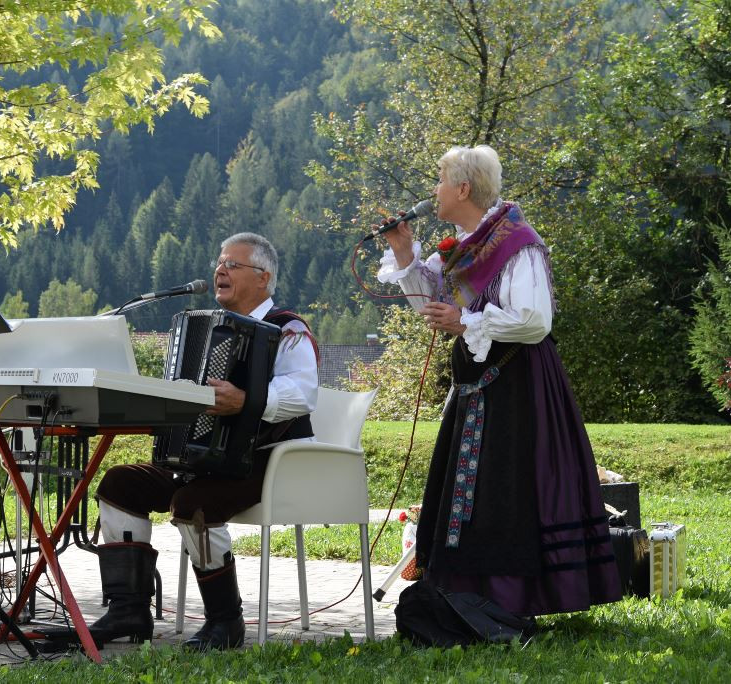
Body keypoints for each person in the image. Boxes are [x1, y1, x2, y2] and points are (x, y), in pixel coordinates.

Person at [376, 145, 621, 617]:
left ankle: (512, 599)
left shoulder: (515, 242)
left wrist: (466, 321)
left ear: (463, 189)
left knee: (509, 487)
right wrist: (404, 251)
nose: (434, 191)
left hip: (517, 386)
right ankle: (469, 593)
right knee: (474, 490)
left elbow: (534, 320)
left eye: (440, 180)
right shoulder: (462, 246)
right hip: (475, 388)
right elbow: (433, 307)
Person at [88, 232, 319, 650]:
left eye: (233, 264)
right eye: (219, 262)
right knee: (119, 484)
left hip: (263, 461)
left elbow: (303, 394)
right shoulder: (205, 327)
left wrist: (248, 402)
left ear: (263, 278)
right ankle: (129, 611)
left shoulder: (288, 329)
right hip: (200, 460)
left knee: (194, 503)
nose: (220, 269)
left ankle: (225, 621)